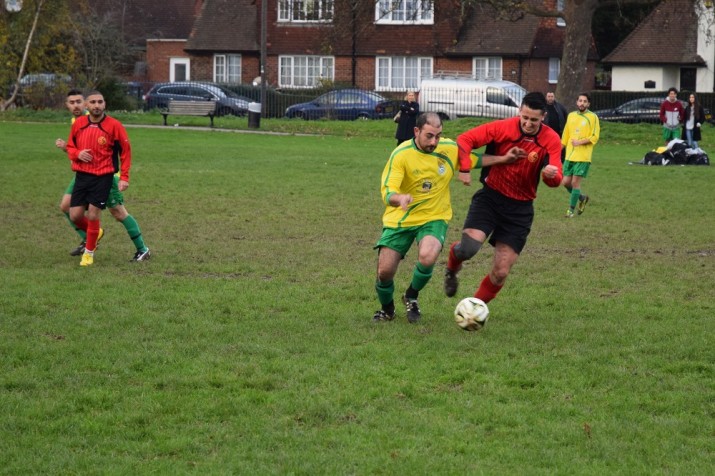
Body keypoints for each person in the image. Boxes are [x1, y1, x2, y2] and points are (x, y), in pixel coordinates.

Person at [373, 112, 521, 323]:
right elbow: (388, 192)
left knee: (428, 255)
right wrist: (400, 198)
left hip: (434, 216)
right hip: (400, 218)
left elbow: (474, 159)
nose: (434, 141)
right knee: (385, 272)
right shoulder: (401, 154)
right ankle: (387, 309)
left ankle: (411, 296)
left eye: (438, 136)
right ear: (417, 131)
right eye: (429, 136)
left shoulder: (448, 149)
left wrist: (503, 159)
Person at [443, 92, 563, 305]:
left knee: (501, 272)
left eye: (533, 120)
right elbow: (465, 139)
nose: (527, 123)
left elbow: (557, 177)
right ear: (520, 111)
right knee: (467, 250)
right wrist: (464, 168)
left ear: (543, 116)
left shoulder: (551, 139)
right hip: (490, 199)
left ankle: (473, 309)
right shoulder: (502, 128)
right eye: (524, 117)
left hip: (520, 210)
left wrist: (550, 176)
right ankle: (452, 268)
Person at [57, 90, 151, 262]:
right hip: (83, 174)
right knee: (67, 207)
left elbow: (125, 151)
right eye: (73, 102)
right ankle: (91, 236)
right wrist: (74, 152)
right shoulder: (78, 123)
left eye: (100, 102)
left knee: (118, 212)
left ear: (104, 103)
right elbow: (73, 147)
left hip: (106, 176)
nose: (96, 105)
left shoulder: (112, 125)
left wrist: (124, 177)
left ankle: (142, 249)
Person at [561, 93, 600, 218]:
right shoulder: (571, 116)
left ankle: (570, 211)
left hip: (583, 156)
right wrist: (558, 150)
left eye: (585, 101)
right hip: (569, 155)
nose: (582, 103)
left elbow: (595, 136)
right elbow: (566, 135)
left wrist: (580, 142)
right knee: (566, 182)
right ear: (577, 102)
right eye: (580, 101)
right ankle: (582, 198)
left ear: (588, 104)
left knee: (575, 183)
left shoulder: (593, 117)